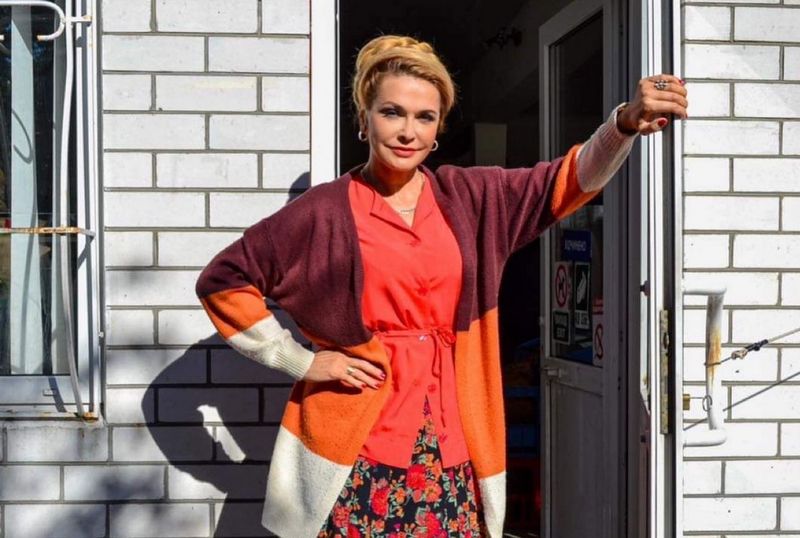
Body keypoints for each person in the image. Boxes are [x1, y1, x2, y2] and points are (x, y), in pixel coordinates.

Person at [196, 34, 688, 538]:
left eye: (424, 117)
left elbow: (565, 181)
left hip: (452, 446)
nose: (408, 131)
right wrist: (301, 361)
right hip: (357, 450)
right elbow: (223, 280)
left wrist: (623, 125)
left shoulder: (470, 198)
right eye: (392, 113)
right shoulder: (323, 211)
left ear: (437, 130)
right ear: (364, 118)